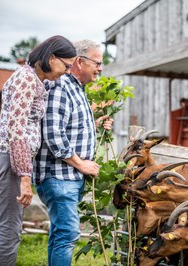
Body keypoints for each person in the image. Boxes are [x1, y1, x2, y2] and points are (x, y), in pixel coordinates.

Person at [0, 35, 77, 266]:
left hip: (8, 158)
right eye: (66, 66)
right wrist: (25, 177)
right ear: (52, 58)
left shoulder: (35, 79)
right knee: (10, 232)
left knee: (7, 229)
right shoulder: (26, 79)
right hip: (7, 157)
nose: (66, 72)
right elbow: (16, 129)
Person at [33, 39, 112, 266]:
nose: (100, 68)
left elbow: (70, 127)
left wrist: (96, 124)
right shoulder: (60, 86)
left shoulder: (77, 88)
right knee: (67, 234)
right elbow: (53, 134)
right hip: (59, 176)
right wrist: (80, 164)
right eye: (97, 63)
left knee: (60, 234)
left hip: (68, 177)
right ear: (79, 61)